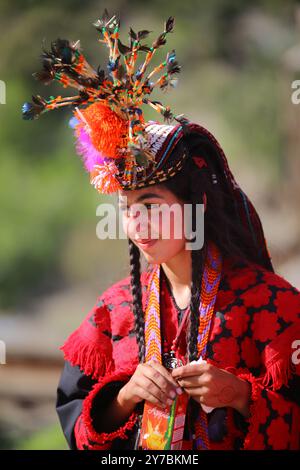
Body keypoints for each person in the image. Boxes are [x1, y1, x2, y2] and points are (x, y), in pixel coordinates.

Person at [22, 10, 300, 450]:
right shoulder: (113, 312)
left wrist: (243, 396)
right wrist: (126, 395)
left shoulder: (271, 305)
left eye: (151, 205)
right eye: (128, 208)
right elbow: (75, 420)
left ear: (198, 204)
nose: (137, 223)